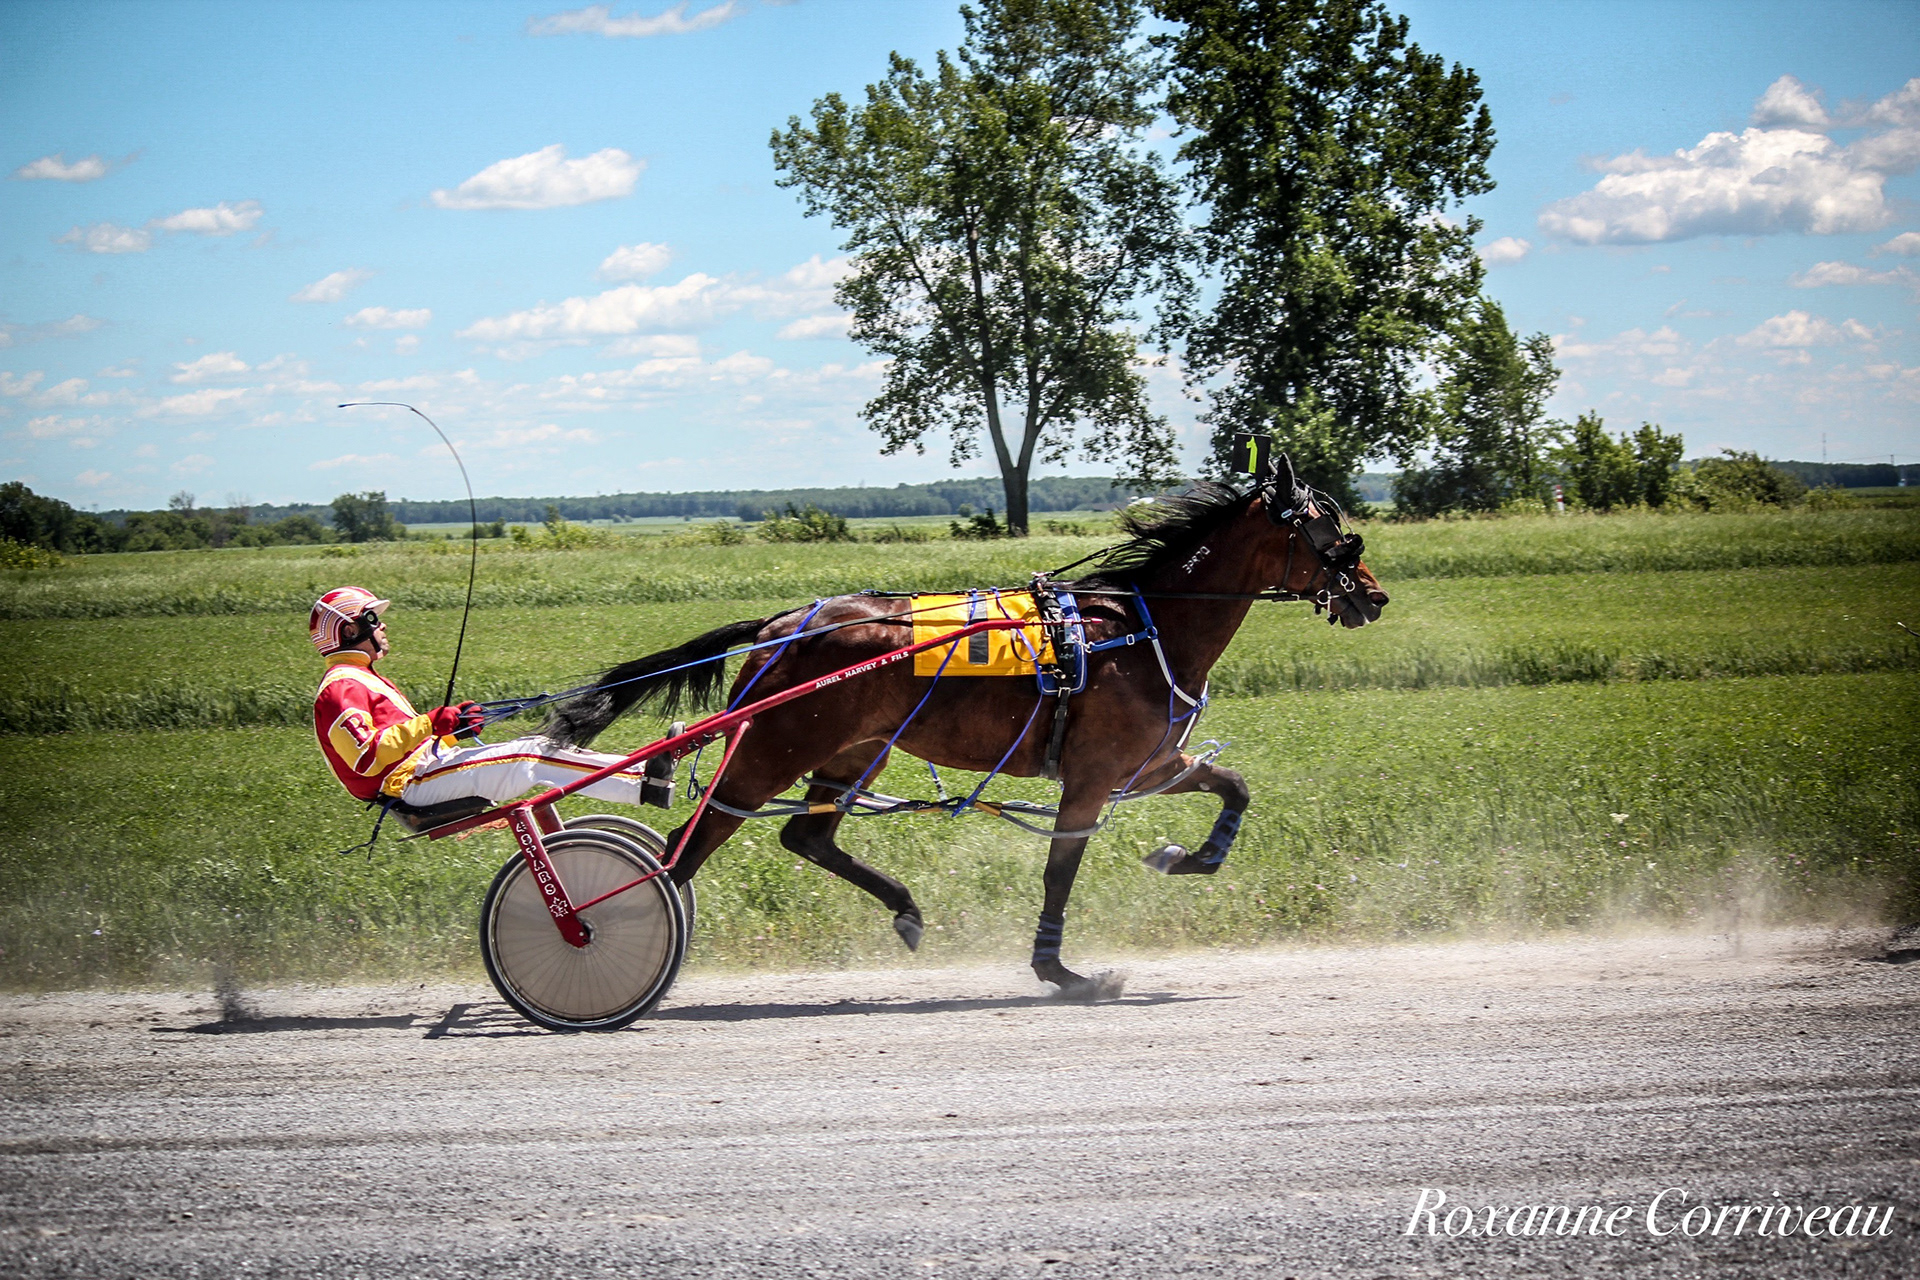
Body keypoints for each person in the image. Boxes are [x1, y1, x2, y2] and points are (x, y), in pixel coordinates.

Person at [310, 585, 649, 812]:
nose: (382, 625)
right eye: (372, 619)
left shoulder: (361, 677)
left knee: (535, 747)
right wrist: (429, 723)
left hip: (425, 772)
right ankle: (640, 782)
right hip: (410, 785)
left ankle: (641, 774)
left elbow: (401, 740)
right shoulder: (341, 687)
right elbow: (366, 757)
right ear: (350, 631)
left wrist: (452, 729)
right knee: (530, 754)